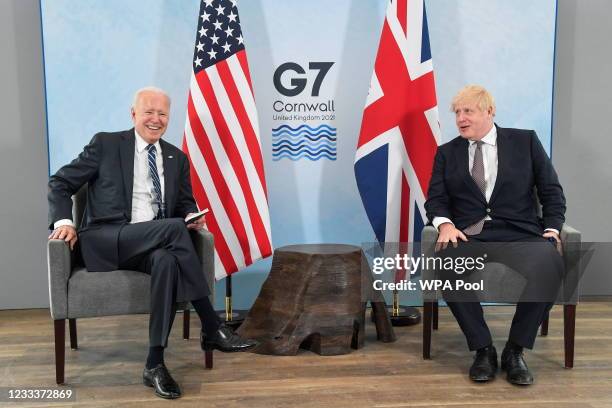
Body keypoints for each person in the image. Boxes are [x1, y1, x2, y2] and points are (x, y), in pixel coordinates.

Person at [47, 86, 256, 399]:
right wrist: (65, 221)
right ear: (134, 114)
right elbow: (59, 183)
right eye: (149, 112)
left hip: (150, 245)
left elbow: (185, 203)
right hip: (104, 239)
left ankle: (154, 363)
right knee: (173, 230)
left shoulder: (177, 158)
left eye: (162, 114)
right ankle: (212, 326)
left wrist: (191, 216)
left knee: (167, 260)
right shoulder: (105, 144)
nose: (155, 119)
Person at [424, 85, 566, 385]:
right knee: (447, 264)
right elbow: (436, 200)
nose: (461, 118)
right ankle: (483, 349)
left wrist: (552, 229)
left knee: (550, 265)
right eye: (457, 113)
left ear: (489, 112)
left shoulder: (525, 141)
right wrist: (445, 225)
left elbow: (551, 191)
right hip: (469, 236)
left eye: (468, 111)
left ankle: (515, 351)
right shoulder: (447, 153)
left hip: (519, 233)